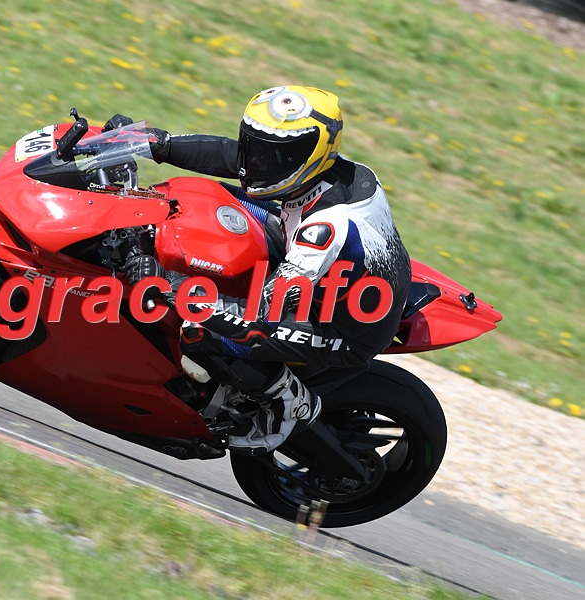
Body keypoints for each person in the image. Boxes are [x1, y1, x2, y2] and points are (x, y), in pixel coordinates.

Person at [116, 85, 412, 455]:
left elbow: (263, 311)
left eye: (275, 153)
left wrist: (165, 283)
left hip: (343, 325)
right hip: (324, 273)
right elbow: (237, 159)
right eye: (256, 145)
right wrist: (157, 145)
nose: (258, 162)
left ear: (312, 153)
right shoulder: (325, 168)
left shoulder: (326, 229)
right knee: (209, 199)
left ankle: (289, 404)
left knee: (200, 324)